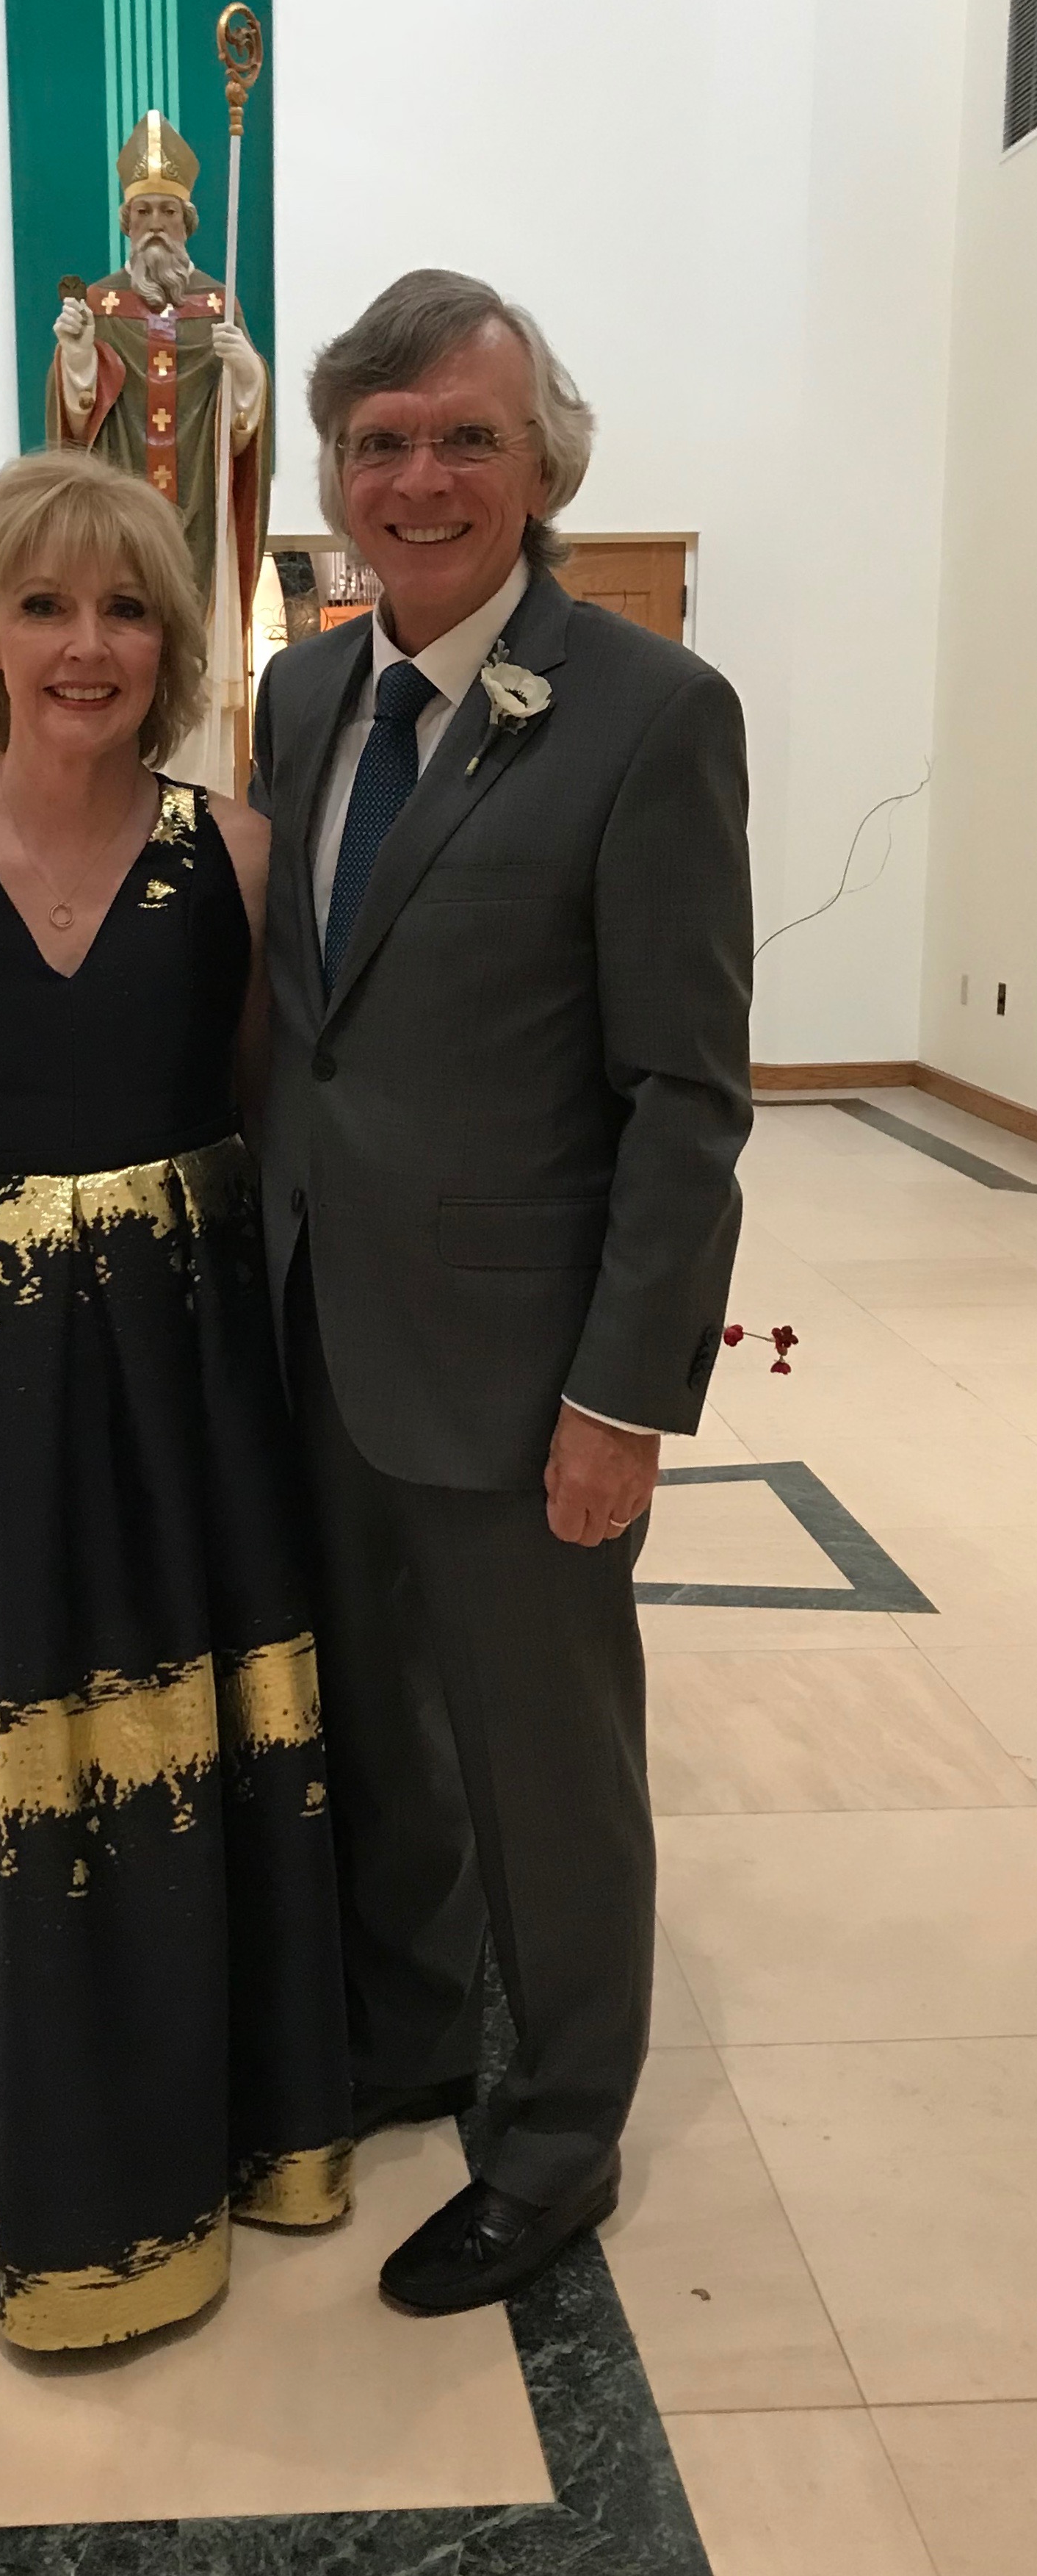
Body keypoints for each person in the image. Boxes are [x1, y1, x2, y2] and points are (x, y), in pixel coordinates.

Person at [250, 270, 753, 2315]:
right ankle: (402, 2032)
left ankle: (554, 2139)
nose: (420, 478)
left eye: (465, 436)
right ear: (335, 478)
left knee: (545, 1769)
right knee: (379, 1728)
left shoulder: (648, 715)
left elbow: (683, 1097)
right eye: (378, 443)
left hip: (523, 1367)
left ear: (543, 463)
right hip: (318, 1337)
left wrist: (620, 1395)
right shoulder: (302, 702)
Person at [0, 450, 351, 2353]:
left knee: (175, 1743)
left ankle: (208, 2118)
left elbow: (273, 1132)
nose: (85, 643)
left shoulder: (242, 862)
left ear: (173, 642)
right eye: (44, 603)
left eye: (126, 606)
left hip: (182, 1391)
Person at [48, 107, 270, 792]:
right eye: (142, 211)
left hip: (200, 516)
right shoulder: (99, 306)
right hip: (119, 527)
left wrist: (247, 375)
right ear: (125, 221)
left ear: (187, 223)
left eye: (166, 213)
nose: (153, 224)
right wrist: (77, 356)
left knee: (191, 675)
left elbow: (242, 437)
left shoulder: (219, 306)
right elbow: (76, 423)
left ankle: (195, 804)